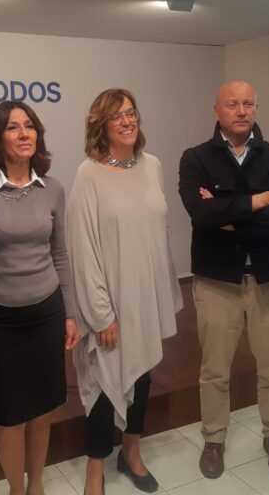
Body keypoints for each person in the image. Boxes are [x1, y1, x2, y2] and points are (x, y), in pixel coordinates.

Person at [178, 80, 269, 480]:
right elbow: (200, 214)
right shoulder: (195, 158)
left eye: (248, 103)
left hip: (267, 280)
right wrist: (256, 201)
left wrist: (228, 215)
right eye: (233, 104)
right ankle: (214, 439)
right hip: (217, 283)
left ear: (255, 108)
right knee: (214, 369)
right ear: (217, 111)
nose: (242, 110)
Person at [0, 101, 80, 495]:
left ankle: (37, 485)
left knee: (42, 410)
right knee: (9, 417)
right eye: (13, 128)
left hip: (46, 313)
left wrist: (70, 314)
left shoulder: (54, 189)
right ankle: (15, 489)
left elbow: (61, 255)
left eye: (30, 126)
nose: (25, 134)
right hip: (1, 322)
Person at [68, 88, 183, 495]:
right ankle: (94, 468)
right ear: (100, 125)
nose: (127, 121)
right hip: (110, 301)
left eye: (131, 113)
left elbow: (159, 234)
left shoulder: (153, 165)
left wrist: (163, 296)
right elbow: (82, 250)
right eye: (116, 116)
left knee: (143, 377)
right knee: (103, 383)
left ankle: (131, 452)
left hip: (145, 296)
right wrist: (101, 314)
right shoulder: (89, 174)